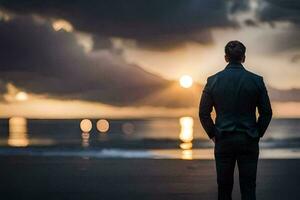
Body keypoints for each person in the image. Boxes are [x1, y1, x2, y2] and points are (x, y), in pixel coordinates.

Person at [199, 40, 272, 200]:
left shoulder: (213, 81)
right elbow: (266, 113)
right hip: (248, 139)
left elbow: (203, 113)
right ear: (244, 57)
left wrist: (213, 134)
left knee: (224, 188)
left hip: (223, 140)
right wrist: (257, 133)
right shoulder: (256, 80)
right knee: (248, 187)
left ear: (226, 57)